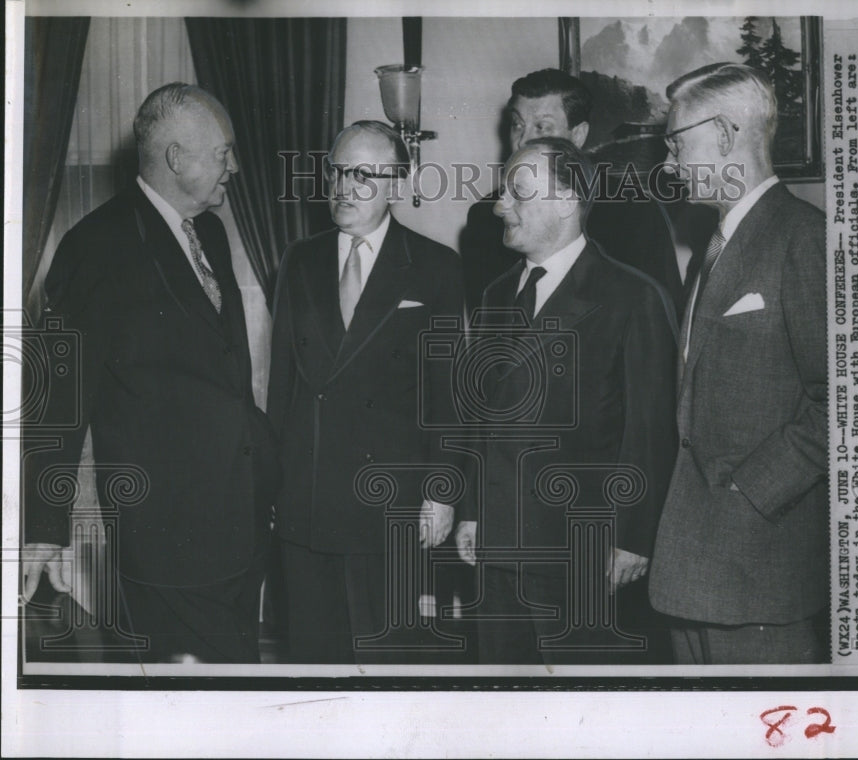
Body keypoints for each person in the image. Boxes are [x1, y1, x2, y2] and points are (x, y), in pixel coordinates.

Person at [21, 83, 279, 663]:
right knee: (186, 694)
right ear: (176, 158)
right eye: (223, 153)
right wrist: (44, 529)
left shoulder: (210, 232)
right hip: (168, 539)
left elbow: (223, 375)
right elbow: (60, 398)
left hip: (240, 522)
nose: (235, 168)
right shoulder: (96, 245)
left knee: (236, 680)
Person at [453, 137, 678, 664]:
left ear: (567, 200)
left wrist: (634, 538)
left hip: (583, 553)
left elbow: (649, 432)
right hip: (497, 547)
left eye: (517, 192)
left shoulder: (632, 296)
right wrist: (472, 512)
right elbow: (480, 419)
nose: (499, 206)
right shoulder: (495, 296)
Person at [647, 63, 829, 664]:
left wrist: (751, 492)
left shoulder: (804, 237)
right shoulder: (714, 243)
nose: (669, 162)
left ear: (725, 135)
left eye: (677, 143)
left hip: (759, 566)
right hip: (694, 566)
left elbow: (846, 404)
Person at [267, 121, 465, 663]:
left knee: (385, 659)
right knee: (313, 659)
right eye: (337, 172)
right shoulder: (299, 259)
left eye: (363, 175)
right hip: (307, 496)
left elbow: (447, 393)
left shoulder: (436, 266)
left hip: (391, 502)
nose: (343, 187)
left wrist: (442, 492)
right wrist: (271, 485)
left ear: (398, 185)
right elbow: (282, 385)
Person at [459, 67, 715, 319]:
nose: (522, 141)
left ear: (578, 135)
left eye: (542, 127)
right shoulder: (487, 217)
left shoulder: (632, 210)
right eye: (517, 125)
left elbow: (658, 316)